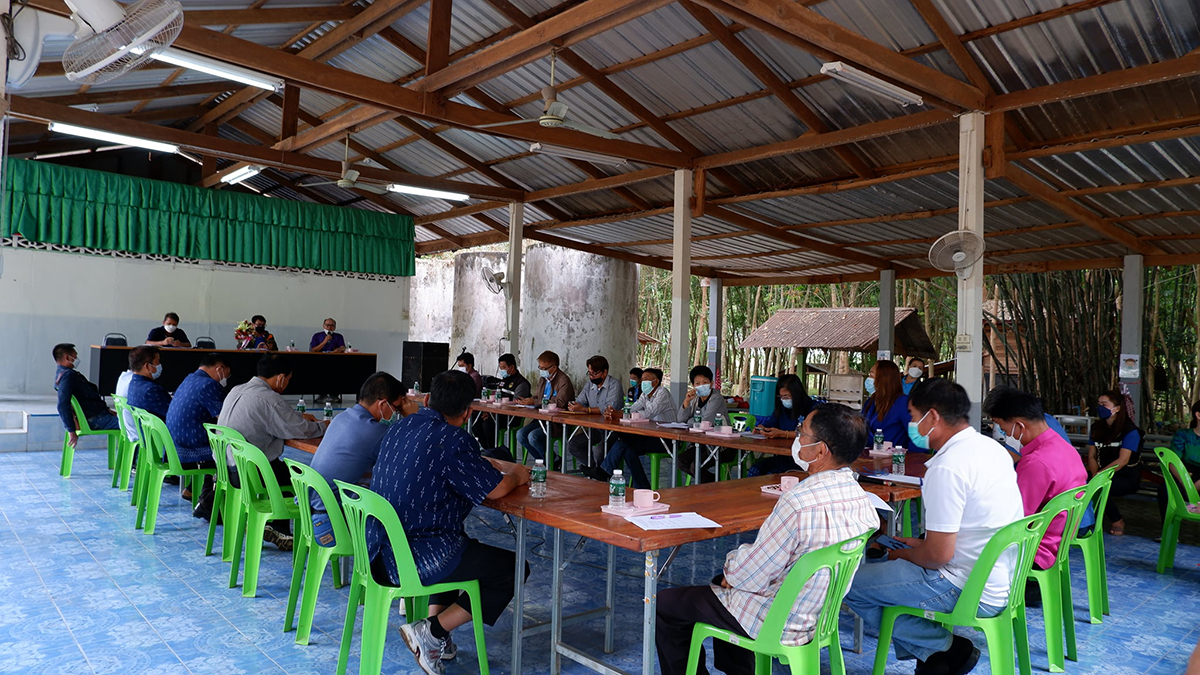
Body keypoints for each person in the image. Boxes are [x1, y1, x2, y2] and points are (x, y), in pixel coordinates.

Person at [656, 403, 878, 675]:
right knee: (724, 585)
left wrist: (731, 570)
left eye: (802, 433)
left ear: (820, 450)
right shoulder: (861, 499)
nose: (797, 438)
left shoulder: (799, 503)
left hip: (776, 619)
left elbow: (751, 574)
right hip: (818, 616)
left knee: (667, 604)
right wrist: (732, 576)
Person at [843, 379, 1024, 675]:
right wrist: (918, 545)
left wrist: (901, 554)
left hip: (964, 586)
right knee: (885, 577)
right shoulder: (992, 449)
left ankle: (947, 648)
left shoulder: (947, 467)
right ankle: (933, 659)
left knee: (848, 585)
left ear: (933, 417)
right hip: (999, 579)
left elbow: (937, 557)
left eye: (914, 416)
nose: (913, 425)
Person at [367, 370, 530, 674]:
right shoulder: (454, 439)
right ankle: (433, 631)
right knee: (512, 568)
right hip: (411, 557)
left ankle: (435, 637)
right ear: (468, 412)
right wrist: (517, 474)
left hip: (377, 549)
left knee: (458, 544)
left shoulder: (399, 427)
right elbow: (495, 489)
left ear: (427, 399)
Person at [983, 386, 1087, 606]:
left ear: (1020, 425)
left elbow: (1013, 521)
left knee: (947, 542)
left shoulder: (1036, 462)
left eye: (1003, 428)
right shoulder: (1064, 448)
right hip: (1055, 546)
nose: (1004, 435)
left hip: (1032, 555)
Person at [218, 354, 327, 550]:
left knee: (282, 469)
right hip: (252, 475)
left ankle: (274, 525)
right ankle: (281, 527)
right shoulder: (270, 398)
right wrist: (324, 425)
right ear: (281, 378)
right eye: (288, 379)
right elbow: (300, 430)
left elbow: (271, 417)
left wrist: (298, 416)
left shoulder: (236, 389)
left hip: (228, 469)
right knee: (304, 480)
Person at [309, 372, 414, 547]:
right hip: (331, 526)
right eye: (396, 408)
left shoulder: (341, 417)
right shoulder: (374, 431)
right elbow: (412, 453)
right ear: (382, 404)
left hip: (312, 515)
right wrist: (412, 417)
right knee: (399, 516)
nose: (396, 413)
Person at [584, 368, 675, 489]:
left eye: (646, 379)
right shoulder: (645, 394)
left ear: (655, 382)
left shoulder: (662, 393)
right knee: (626, 445)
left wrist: (620, 414)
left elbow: (648, 413)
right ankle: (641, 486)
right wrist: (615, 412)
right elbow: (633, 407)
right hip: (651, 435)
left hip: (667, 439)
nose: (643, 382)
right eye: (642, 379)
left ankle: (604, 471)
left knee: (626, 443)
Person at [166, 353, 231, 519]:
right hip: (192, 451)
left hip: (175, 447)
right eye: (227, 374)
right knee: (231, 455)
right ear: (219, 369)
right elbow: (226, 418)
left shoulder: (189, 378)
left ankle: (191, 490)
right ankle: (208, 504)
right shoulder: (209, 385)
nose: (226, 379)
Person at [1085, 387, 1143, 536]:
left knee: (1099, 487)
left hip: (1125, 476)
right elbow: (1092, 455)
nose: (1100, 407)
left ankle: (1117, 520)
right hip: (1100, 473)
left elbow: (1122, 460)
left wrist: (1099, 477)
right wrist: (1095, 474)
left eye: (1104, 404)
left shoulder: (1130, 431)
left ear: (1117, 408)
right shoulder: (1096, 428)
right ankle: (1083, 522)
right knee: (1079, 483)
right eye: (1099, 404)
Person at [53, 343, 119, 448]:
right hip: (95, 419)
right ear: (67, 358)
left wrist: (106, 410)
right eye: (74, 356)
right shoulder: (68, 376)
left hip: (99, 415)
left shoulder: (63, 374)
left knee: (129, 422)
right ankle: (134, 458)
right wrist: (71, 430)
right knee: (133, 425)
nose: (76, 359)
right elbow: (62, 404)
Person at [747, 374, 815, 477]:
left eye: (786, 396)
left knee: (772, 474)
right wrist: (762, 429)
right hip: (783, 456)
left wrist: (784, 434)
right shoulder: (782, 409)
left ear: (797, 394)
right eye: (781, 397)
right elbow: (770, 424)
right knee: (754, 470)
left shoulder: (813, 409)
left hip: (804, 460)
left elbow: (811, 434)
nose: (784, 400)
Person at [515, 351, 575, 463]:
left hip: (557, 423)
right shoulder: (543, 379)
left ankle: (551, 461)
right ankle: (546, 461)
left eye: (544, 368)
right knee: (521, 434)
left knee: (533, 437)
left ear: (554, 367)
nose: (542, 370)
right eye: (540, 367)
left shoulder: (563, 381)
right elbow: (537, 397)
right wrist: (527, 401)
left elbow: (560, 403)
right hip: (541, 420)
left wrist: (535, 401)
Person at [566, 355, 624, 466]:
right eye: (589, 373)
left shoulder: (614, 385)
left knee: (599, 451)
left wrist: (586, 409)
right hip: (596, 428)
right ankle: (593, 468)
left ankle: (598, 471)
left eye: (594, 374)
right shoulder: (589, 385)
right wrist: (574, 406)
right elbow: (580, 401)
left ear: (604, 372)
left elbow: (609, 409)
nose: (591, 377)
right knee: (573, 445)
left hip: (613, 430)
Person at [676, 365, 730, 480]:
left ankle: (715, 485)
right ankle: (715, 483)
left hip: (720, 445)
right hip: (701, 444)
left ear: (711, 383)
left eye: (705, 382)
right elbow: (680, 420)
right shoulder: (695, 399)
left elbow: (706, 422)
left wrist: (691, 420)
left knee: (695, 467)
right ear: (693, 385)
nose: (701, 385)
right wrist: (686, 401)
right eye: (697, 383)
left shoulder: (716, 398)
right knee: (680, 461)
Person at [471, 353, 531, 453]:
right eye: (500, 368)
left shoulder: (521, 383)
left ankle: (493, 451)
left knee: (487, 424)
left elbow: (516, 404)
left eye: (504, 367)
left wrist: (493, 413)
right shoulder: (503, 381)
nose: (502, 370)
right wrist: (489, 412)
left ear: (512, 367)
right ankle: (486, 448)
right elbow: (497, 398)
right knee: (476, 421)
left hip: (511, 416)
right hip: (497, 413)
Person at [1157, 400, 1200, 527]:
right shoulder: (1183, 435)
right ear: (1198, 415)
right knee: (1166, 490)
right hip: (1185, 475)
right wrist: (1186, 484)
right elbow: (1173, 462)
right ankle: (1168, 530)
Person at [862, 360, 912, 451]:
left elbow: (916, 435)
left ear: (883, 379)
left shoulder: (903, 402)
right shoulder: (871, 401)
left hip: (895, 456)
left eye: (871, 376)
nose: (868, 379)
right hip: (869, 455)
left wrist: (913, 456)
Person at [126, 346, 172, 421]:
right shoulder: (152, 390)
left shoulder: (133, 384)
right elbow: (174, 412)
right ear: (147, 366)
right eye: (157, 362)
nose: (159, 365)